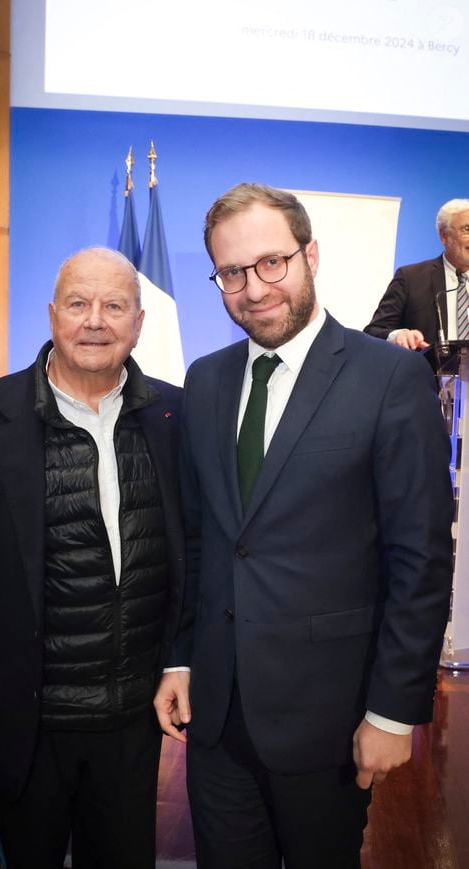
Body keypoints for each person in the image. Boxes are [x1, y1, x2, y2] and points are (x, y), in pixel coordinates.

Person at [154, 183, 453, 869]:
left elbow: (421, 558)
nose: (253, 288)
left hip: (331, 721)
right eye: (231, 271)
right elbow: (198, 538)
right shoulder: (204, 381)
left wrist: (391, 711)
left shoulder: (389, 378)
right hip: (217, 720)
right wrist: (179, 656)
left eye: (271, 263)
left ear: (310, 254)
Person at [0, 247, 184, 869]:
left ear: (139, 323)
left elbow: (189, 558)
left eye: (114, 306)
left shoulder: (174, 417)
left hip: (131, 718)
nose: (95, 320)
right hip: (25, 718)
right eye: (78, 304)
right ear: (52, 316)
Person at [364, 198, 469, 349]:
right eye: (467, 229)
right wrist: (398, 335)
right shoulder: (411, 278)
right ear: (443, 235)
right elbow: (373, 332)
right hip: (425, 370)